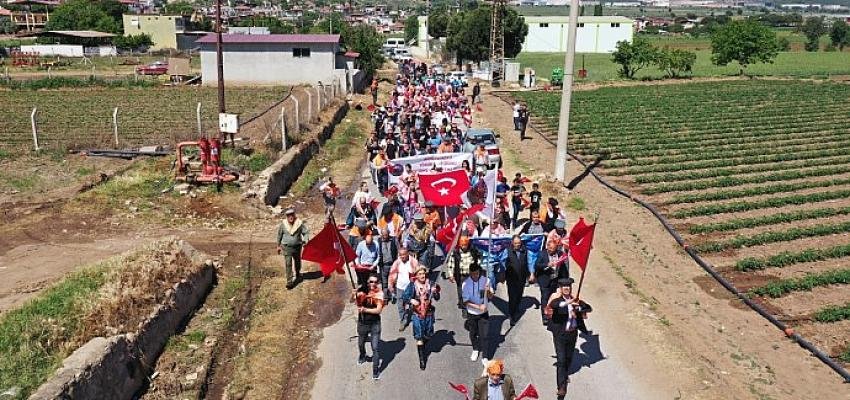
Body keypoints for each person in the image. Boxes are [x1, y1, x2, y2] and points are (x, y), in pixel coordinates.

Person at [547, 277, 593, 399]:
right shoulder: (557, 300)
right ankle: (561, 387)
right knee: (561, 360)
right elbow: (555, 305)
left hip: (572, 333)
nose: (567, 289)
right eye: (564, 287)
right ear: (561, 289)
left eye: (568, 287)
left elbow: (589, 308)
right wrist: (569, 303)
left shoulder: (576, 300)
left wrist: (579, 308)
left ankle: (565, 374)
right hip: (560, 334)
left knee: (568, 358)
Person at [400, 267, 441, 370]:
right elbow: (404, 297)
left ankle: (423, 345)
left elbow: (437, 298)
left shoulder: (430, 284)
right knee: (419, 336)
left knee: (428, 334)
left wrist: (435, 292)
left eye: (423, 273)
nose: (422, 276)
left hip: (429, 313)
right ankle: (422, 360)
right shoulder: (412, 285)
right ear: (416, 276)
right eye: (420, 274)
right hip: (417, 313)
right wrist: (411, 300)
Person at [353, 273, 385, 380]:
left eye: (376, 282)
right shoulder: (361, 289)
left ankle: (375, 371)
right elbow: (352, 301)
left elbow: (378, 310)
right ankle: (362, 355)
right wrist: (353, 294)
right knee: (361, 343)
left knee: (375, 348)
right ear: (368, 282)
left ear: (378, 283)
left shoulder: (379, 293)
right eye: (371, 281)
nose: (373, 284)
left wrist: (365, 310)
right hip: (362, 323)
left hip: (375, 324)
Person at [462, 263, 493, 366]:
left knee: (485, 335)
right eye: (473, 274)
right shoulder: (466, 284)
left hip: (484, 314)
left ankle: (485, 356)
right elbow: (466, 302)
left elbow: (491, 297)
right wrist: (478, 307)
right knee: (473, 333)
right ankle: (475, 349)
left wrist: (488, 291)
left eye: (477, 274)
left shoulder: (486, 280)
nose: (476, 276)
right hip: (472, 313)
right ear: (470, 273)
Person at [534, 239, 569, 324]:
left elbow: (564, 267)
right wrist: (546, 265)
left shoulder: (560, 254)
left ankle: (553, 313)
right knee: (545, 298)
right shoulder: (542, 254)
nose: (551, 252)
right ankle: (545, 316)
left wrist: (565, 280)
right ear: (547, 247)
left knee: (555, 298)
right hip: (545, 281)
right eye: (550, 250)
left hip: (555, 280)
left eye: (553, 250)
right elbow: (537, 265)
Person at [276, 208, 309, 289]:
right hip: (286, 247)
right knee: (288, 264)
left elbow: (306, 232)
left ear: (294, 215)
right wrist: (278, 246)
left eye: (292, 215)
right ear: (286, 217)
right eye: (288, 216)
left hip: (297, 247)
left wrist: (305, 240)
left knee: (297, 261)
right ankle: (289, 282)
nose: (290, 217)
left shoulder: (299, 223)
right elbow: (279, 235)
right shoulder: (283, 224)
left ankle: (298, 273)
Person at [389, 247, 420, 331]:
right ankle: (403, 320)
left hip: (411, 287)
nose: (402, 257)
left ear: (407, 254)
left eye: (404, 255)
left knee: (412, 304)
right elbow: (392, 273)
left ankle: (416, 320)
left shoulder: (413, 262)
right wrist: (391, 285)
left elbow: (418, 274)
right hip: (400, 287)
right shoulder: (397, 262)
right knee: (400, 305)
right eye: (400, 255)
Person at [449, 236, 479, 311]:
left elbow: (478, 259)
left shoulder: (472, 251)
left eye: (465, 245)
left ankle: (472, 306)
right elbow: (451, 264)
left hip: (471, 275)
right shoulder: (456, 253)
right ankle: (464, 307)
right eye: (462, 245)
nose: (463, 247)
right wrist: (451, 275)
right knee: (462, 292)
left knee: (472, 291)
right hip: (461, 276)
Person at [504, 235, 529, 326]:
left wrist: (529, 275)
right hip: (511, 279)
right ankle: (512, 316)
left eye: (519, 243)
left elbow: (527, 262)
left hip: (521, 278)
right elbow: (504, 264)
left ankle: (516, 307)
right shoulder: (507, 251)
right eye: (515, 243)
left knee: (519, 296)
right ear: (512, 243)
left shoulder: (524, 250)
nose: (517, 245)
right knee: (512, 298)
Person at [377, 229, 399, 300]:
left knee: (394, 280)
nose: (384, 236)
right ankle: (386, 296)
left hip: (393, 264)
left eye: (386, 235)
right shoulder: (378, 241)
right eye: (383, 235)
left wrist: (398, 263)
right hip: (383, 265)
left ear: (389, 234)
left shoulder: (394, 239)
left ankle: (394, 294)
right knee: (384, 281)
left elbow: (399, 250)